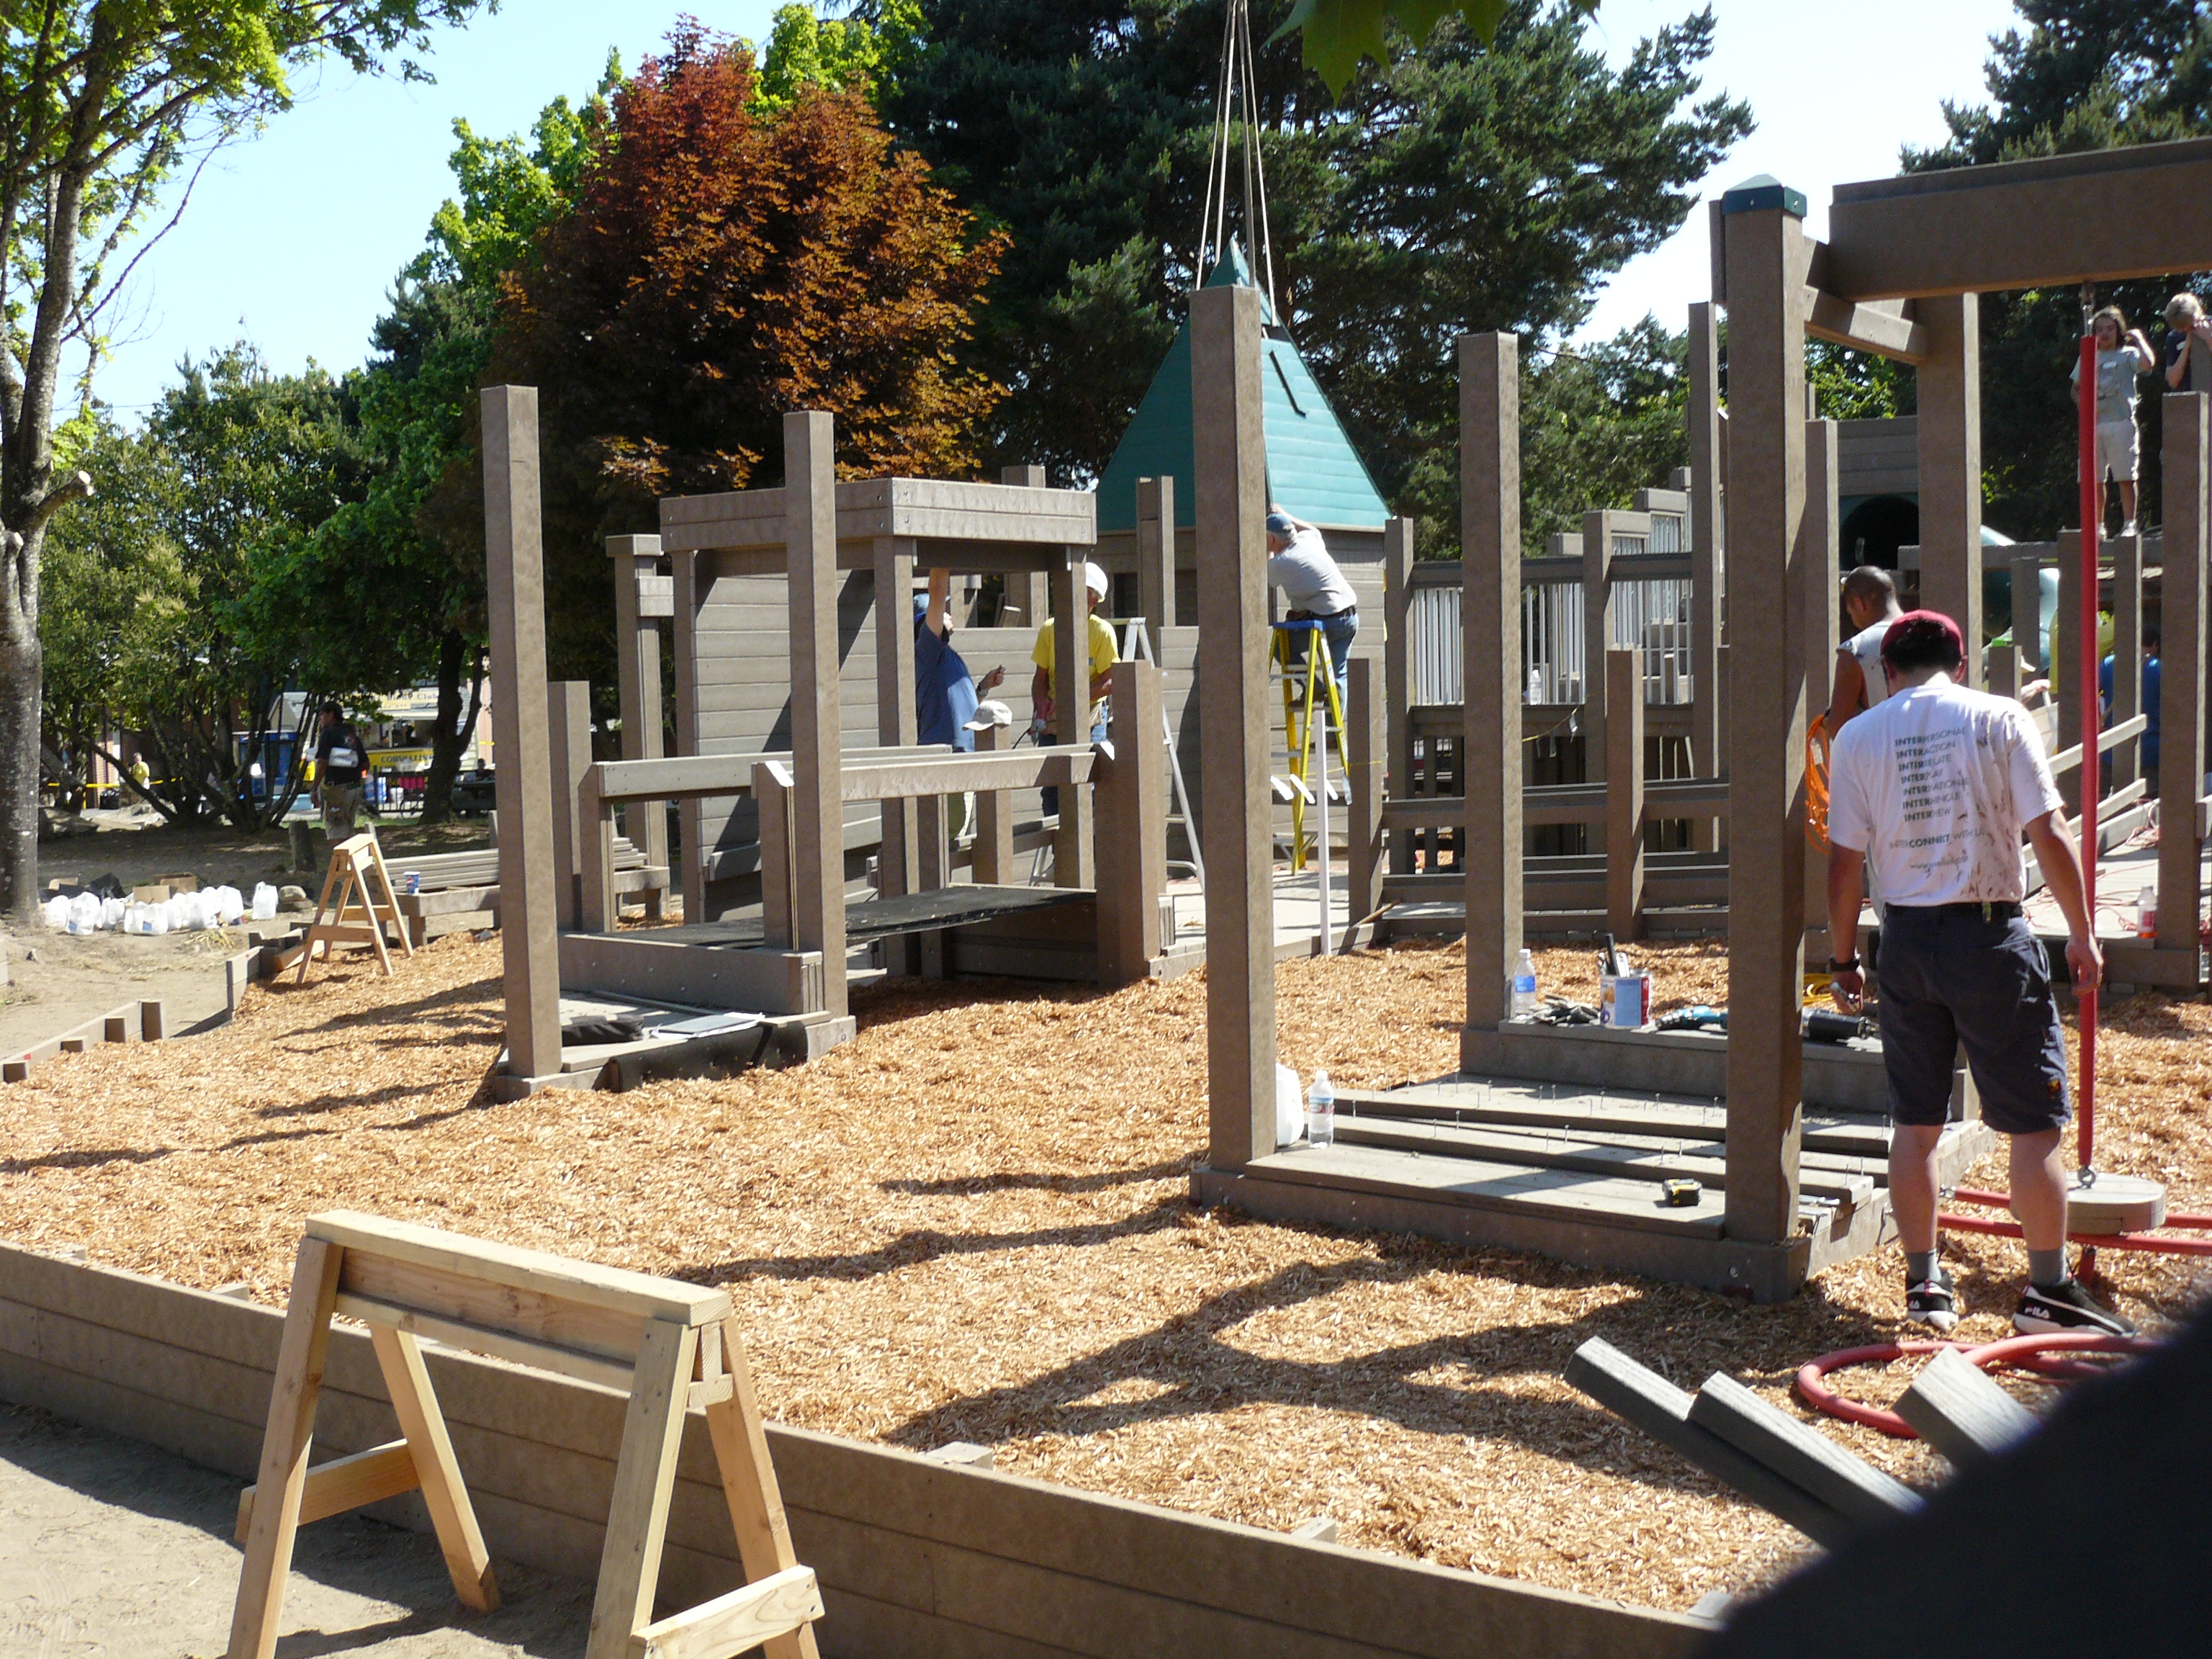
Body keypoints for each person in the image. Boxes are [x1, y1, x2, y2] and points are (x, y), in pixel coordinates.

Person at [1825, 611, 2133, 1339]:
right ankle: (2047, 1289)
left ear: (1888, 672)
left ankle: (1924, 1283)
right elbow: (2048, 830)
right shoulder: (1999, 718)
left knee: (1916, 1124)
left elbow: (1843, 864)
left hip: (1905, 939)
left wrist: (1842, 959)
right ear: (1959, 663)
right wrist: (2082, 932)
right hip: (1989, 933)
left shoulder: (1858, 737)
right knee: (2034, 1124)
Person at [915, 569, 1005, 842]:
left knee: (955, 835)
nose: (948, 614)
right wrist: (941, 565)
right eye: (942, 612)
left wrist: (983, 688)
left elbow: (955, 705)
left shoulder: (944, 656)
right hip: (949, 755)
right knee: (950, 838)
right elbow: (937, 592)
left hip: (962, 753)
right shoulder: (926, 648)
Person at [1031, 561, 1117, 814]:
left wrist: (1074, 699)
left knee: (1086, 785)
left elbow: (1110, 681)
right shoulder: (1050, 629)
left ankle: (1090, 840)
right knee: (1052, 787)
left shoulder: (1102, 632)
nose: (1091, 601)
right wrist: (1042, 705)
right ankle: (1058, 839)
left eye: (1092, 596)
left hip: (1089, 720)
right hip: (1054, 721)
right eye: (1086, 593)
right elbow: (1040, 679)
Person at [2069, 305, 2154, 538]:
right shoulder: (2087, 356)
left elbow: (2148, 364)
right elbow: (2075, 389)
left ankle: (2129, 524)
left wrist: (2139, 339)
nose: (2105, 334)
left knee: (2125, 476)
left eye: (2110, 329)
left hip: (2121, 422)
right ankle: (2097, 526)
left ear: (2118, 330)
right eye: (2100, 330)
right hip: (2093, 426)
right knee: (2094, 479)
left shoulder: (2128, 354)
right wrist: (2083, 406)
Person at [1265, 506, 1357, 713]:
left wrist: (1268, 549)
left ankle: (1314, 687)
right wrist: (1285, 515)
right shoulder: (1309, 540)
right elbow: (1311, 529)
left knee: (1282, 648)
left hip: (1328, 621)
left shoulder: (1283, 561)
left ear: (1272, 539)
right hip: (1350, 618)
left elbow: (1269, 576)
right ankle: (1332, 729)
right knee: (1338, 675)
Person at [1825, 565, 1906, 740]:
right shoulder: (1930, 635)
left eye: (1850, 609)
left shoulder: (1856, 649)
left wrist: (1828, 722)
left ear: (1860, 603)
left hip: (1881, 752)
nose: (1851, 616)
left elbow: (1838, 729)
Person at [2100, 625, 2161, 797]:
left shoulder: (2108, 664)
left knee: (2104, 797)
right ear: (2155, 645)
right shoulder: (2159, 669)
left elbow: (2090, 693)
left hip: (2111, 746)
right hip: (2148, 748)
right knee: (2146, 800)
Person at [311, 702, 372, 843]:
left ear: (331, 715)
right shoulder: (351, 735)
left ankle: (341, 858)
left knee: (337, 833)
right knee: (348, 831)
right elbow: (365, 764)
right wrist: (353, 774)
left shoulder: (327, 734)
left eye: (322, 714)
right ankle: (350, 857)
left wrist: (314, 788)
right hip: (355, 788)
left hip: (337, 791)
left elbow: (322, 762)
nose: (320, 718)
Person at [2163, 291, 2212, 394]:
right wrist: (2187, 344)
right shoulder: (2173, 337)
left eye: (2184, 327)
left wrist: (2208, 338)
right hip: (2186, 398)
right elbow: (2173, 381)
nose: (2181, 331)